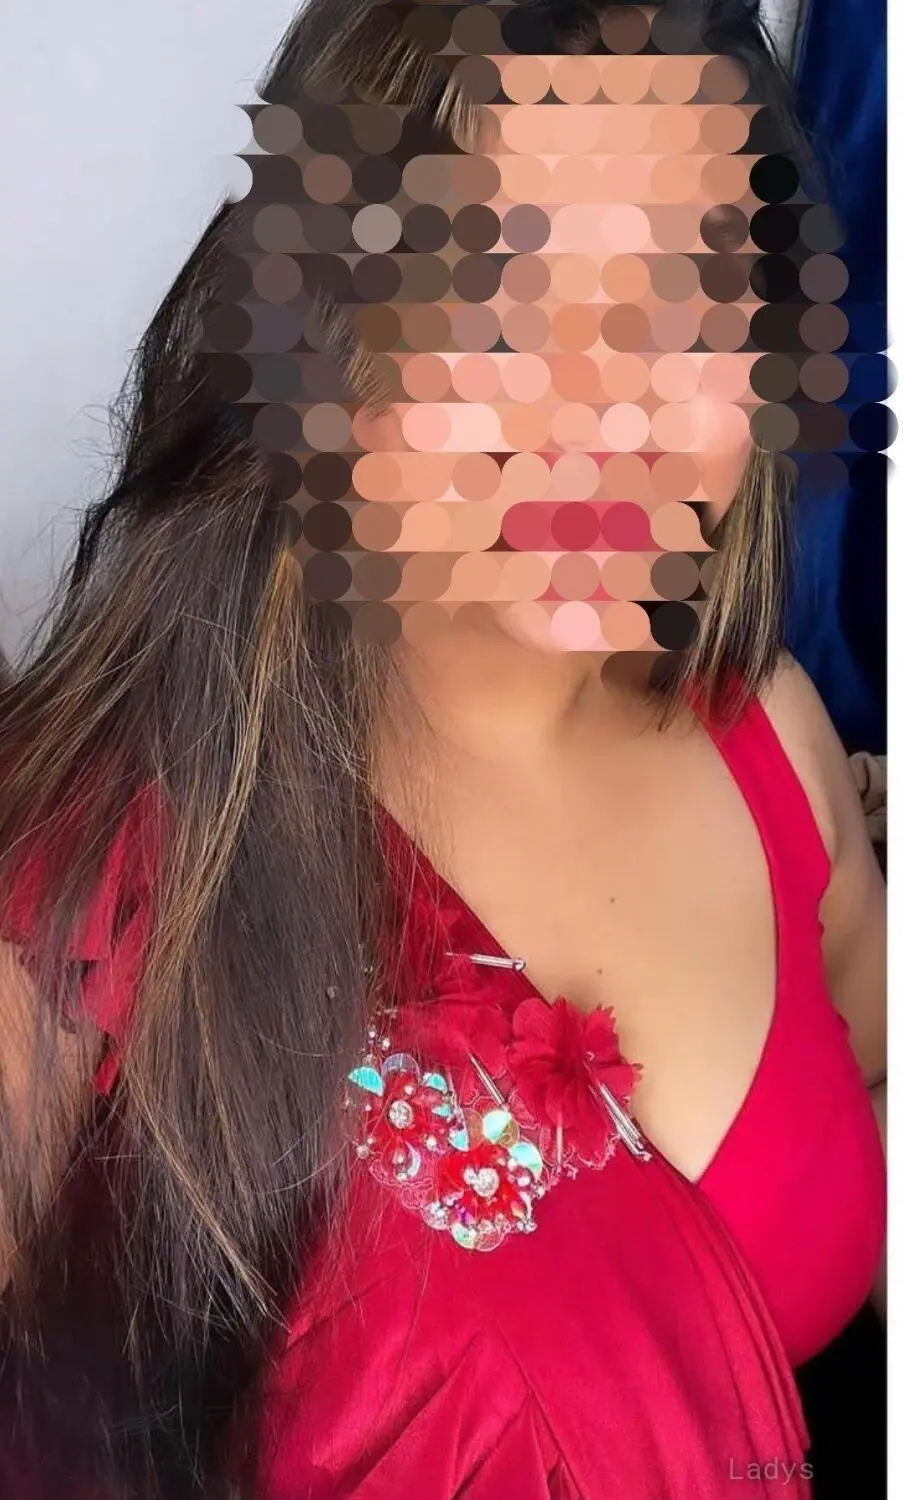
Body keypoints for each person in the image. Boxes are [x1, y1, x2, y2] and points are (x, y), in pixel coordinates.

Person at [0, 3, 885, 1497]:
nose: (606, 408)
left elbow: (860, 1073)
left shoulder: (772, 740)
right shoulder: (83, 876)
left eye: (689, 298)